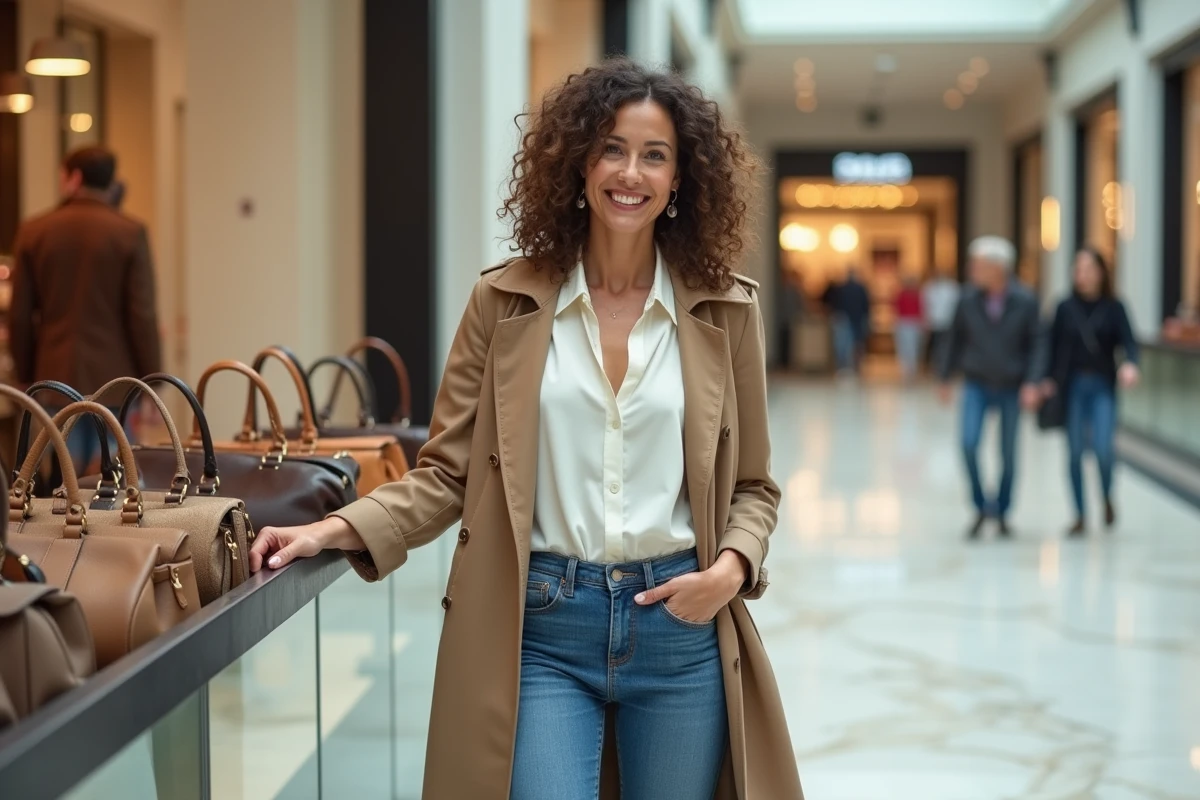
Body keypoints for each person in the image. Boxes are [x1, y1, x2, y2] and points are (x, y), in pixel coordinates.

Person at [248, 58, 803, 800]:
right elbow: (447, 475)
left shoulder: (726, 311)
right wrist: (331, 530)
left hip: (682, 626)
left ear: (680, 180)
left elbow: (755, 486)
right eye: (611, 147)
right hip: (541, 627)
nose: (629, 172)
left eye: (654, 155)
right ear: (577, 162)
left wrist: (728, 572)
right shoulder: (503, 303)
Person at [9, 146, 161, 475]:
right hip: (115, 376)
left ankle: (67, 524)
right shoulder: (129, 232)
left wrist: (24, 373)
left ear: (74, 177)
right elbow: (142, 315)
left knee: (66, 472)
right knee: (113, 474)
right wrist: (151, 378)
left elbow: (20, 314)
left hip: (53, 374)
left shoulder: (35, 231)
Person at [937, 236, 1042, 539]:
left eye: (980, 264)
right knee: (968, 444)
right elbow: (952, 339)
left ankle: (1004, 509)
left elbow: (1038, 344)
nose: (973, 269)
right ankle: (982, 506)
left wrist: (1032, 382)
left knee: (1008, 455)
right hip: (976, 383)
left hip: (1011, 385)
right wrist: (944, 377)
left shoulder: (1025, 300)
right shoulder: (967, 299)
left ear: (999, 268)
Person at [1040, 247, 1140, 536]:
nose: (1081, 274)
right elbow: (1051, 346)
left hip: (1102, 386)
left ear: (1100, 273)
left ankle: (1107, 496)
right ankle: (1080, 514)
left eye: (1087, 268)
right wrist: (1046, 379)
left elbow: (1129, 343)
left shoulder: (1114, 307)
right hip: (1072, 387)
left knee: (1103, 450)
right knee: (1073, 453)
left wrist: (1131, 365)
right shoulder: (1064, 307)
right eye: (1077, 268)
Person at [824, 266, 871, 374]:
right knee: (855, 343)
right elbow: (866, 306)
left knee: (843, 344)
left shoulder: (843, 288)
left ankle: (842, 366)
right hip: (855, 319)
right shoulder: (860, 288)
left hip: (845, 319)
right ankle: (854, 366)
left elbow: (835, 304)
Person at [922, 268, 960, 367]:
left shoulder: (952, 287)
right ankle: (937, 365)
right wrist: (926, 320)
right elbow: (925, 304)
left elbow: (956, 304)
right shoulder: (929, 287)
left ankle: (945, 365)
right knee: (935, 346)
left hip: (948, 322)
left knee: (947, 346)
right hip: (934, 322)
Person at [893, 275, 923, 381]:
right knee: (909, 348)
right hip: (908, 323)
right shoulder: (904, 294)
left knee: (909, 348)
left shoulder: (915, 294)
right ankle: (908, 371)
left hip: (908, 323)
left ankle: (909, 371)